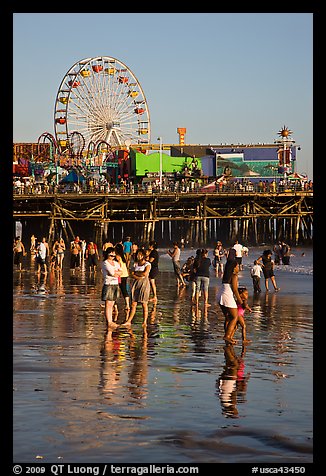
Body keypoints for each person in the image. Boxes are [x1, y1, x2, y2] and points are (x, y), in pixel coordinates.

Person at [121, 249, 151, 328]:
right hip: (135, 284)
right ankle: (129, 321)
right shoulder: (136, 264)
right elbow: (131, 273)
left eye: (140, 255)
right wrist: (137, 275)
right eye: (138, 254)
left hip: (144, 284)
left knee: (144, 303)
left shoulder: (147, 264)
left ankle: (144, 322)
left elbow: (145, 274)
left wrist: (136, 274)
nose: (138, 256)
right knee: (133, 303)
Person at [217, 259, 243, 344]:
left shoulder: (226, 276)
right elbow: (235, 290)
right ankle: (227, 336)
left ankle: (228, 336)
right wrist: (241, 303)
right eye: (237, 266)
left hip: (220, 294)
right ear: (234, 268)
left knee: (228, 317)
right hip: (227, 296)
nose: (238, 268)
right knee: (235, 317)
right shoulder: (234, 276)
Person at [101, 247, 122, 330]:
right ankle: (109, 321)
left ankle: (111, 321)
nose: (112, 256)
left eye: (114, 254)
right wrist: (116, 273)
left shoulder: (116, 263)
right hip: (108, 284)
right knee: (108, 304)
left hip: (115, 284)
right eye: (111, 254)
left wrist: (117, 273)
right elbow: (112, 273)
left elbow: (121, 272)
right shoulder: (105, 263)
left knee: (112, 304)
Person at [114, 242, 131, 312]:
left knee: (115, 289)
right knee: (123, 289)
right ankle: (127, 304)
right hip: (125, 274)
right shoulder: (123, 255)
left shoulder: (117, 256)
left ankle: (114, 306)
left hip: (119, 275)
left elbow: (119, 265)